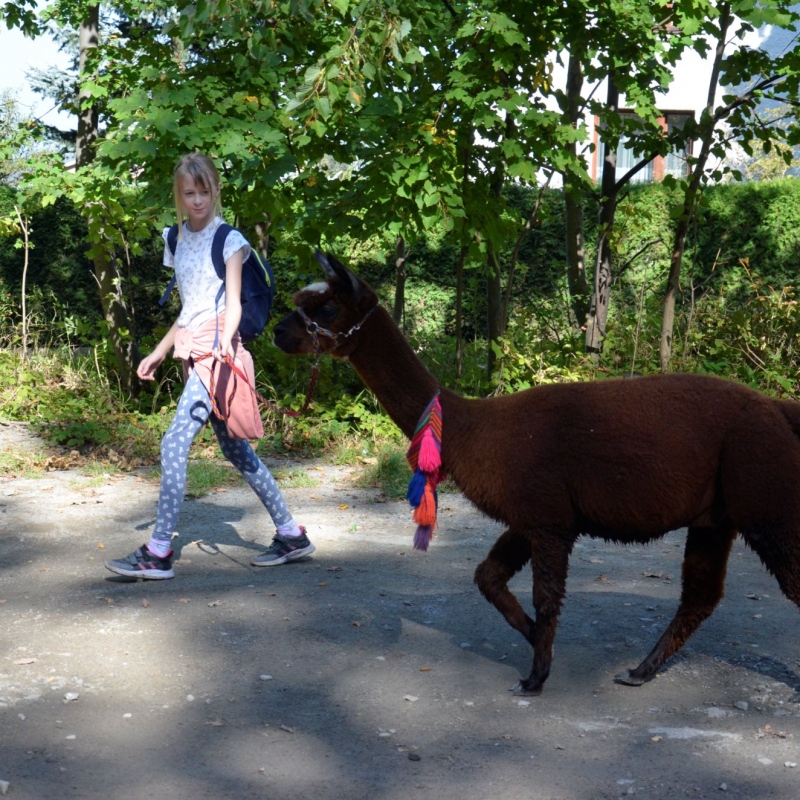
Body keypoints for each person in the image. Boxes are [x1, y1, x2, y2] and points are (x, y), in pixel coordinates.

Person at [106, 153, 313, 580]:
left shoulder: (230, 239)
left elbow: (232, 303)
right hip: (192, 349)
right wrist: (161, 350)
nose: (197, 200)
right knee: (235, 449)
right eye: (189, 193)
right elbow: (189, 307)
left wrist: (223, 343)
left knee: (173, 442)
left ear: (215, 190)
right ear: (178, 196)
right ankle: (291, 534)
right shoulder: (174, 239)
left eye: (204, 191)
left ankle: (158, 551)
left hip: (219, 354)